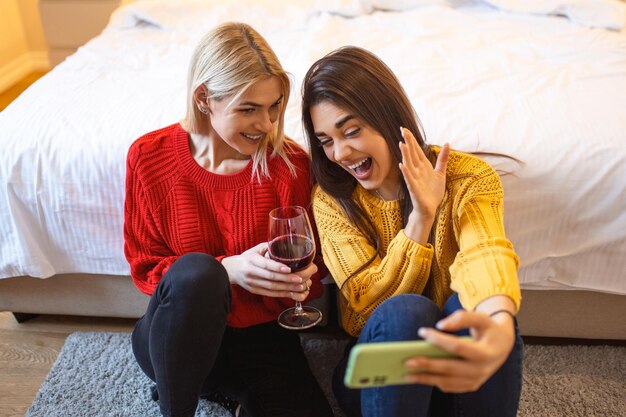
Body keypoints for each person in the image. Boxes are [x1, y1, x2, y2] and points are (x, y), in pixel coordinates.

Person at [123, 22, 333, 417]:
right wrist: (228, 270)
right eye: (249, 108)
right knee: (199, 274)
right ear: (204, 98)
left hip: (262, 343)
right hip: (175, 339)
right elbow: (144, 266)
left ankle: (229, 395)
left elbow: (313, 264)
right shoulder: (148, 158)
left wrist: (301, 279)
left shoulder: (289, 166)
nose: (267, 124)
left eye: (274, 106)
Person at [301, 46, 523, 417]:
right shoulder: (332, 198)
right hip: (380, 381)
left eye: (351, 131)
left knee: (477, 311)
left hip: (454, 377)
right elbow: (361, 312)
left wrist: (500, 321)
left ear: (387, 117)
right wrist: (421, 218)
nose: (339, 153)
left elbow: (485, 255)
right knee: (407, 311)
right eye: (325, 141)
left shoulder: (469, 178)